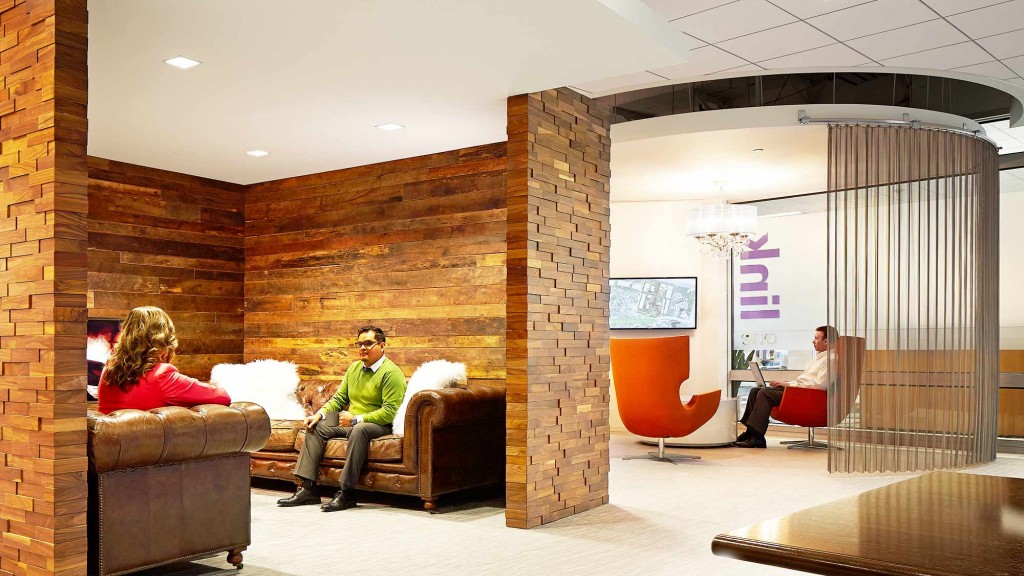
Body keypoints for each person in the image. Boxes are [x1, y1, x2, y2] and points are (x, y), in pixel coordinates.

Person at [277, 326, 407, 512]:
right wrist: (319, 414)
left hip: (378, 425)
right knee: (317, 427)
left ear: (382, 346)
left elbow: (389, 411)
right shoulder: (354, 368)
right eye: (360, 343)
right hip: (352, 422)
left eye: (369, 343)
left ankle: (347, 492)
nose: (363, 347)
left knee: (359, 429)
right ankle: (308, 489)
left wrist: (355, 419)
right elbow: (339, 399)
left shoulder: (391, 373)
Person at [98, 306, 231, 413]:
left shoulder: (108, 371)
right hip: (150, 445)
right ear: (163, 339)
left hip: (110, 444)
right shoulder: (162, 375)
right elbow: (222, 396)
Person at [734, 325, 838, 449]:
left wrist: (790, 386)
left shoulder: (830, 360)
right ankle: (750, 433)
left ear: (826, 341)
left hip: (806, 396)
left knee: (764, 394)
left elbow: (819, 386)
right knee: (755, 391)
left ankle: (757, 438)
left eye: (816, 338)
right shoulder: (820, 358)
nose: (813, 341)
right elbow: (805, 381)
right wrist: (786, 384)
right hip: (799, 391)